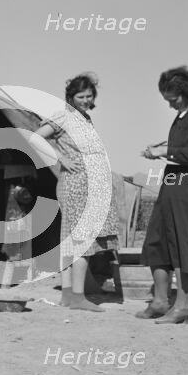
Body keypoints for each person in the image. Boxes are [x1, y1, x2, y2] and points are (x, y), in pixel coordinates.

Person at [31, 73, 118, 312]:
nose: (86, 100)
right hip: (77, 184)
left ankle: (68, 295)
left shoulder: (84, 119)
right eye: (80, 96)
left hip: (88, 184)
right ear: (71, 97)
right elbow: (35, 138)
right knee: (83, 240)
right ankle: (78, 296)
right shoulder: (64, 116)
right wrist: (61, 158)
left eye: (89, 96)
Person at [138, 66, 188, 324]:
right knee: (157, 239)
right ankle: (160, 301)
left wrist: (163, 152)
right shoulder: (182, 116)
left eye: (173, 99)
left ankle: (183, 306)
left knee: (182, 242)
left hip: (186, 184)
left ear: (186, 91)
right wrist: (163, 149)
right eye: (167, 100)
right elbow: (180, 149)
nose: (170, 104)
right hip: (170, 181)